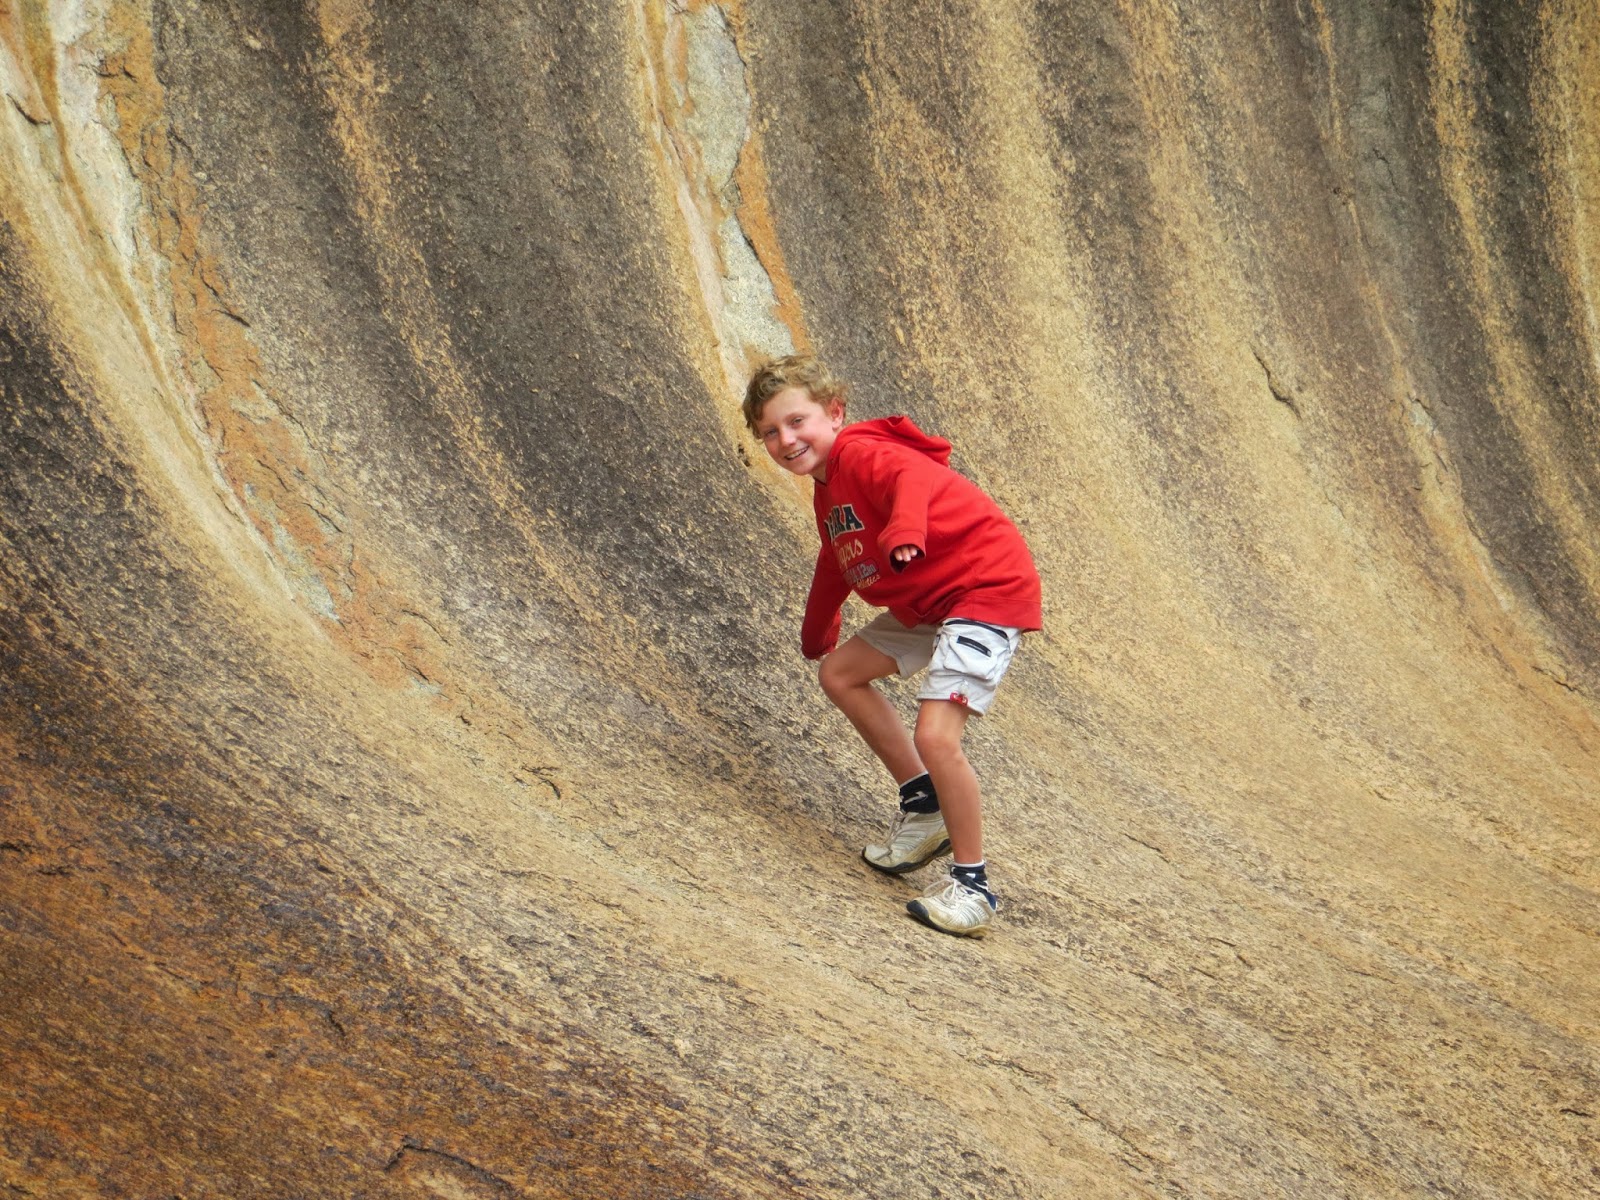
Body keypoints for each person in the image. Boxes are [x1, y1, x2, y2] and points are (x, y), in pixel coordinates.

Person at [742, 354, 1042, 937]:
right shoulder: (827, 490)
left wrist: (905, 528)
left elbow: (914, 480)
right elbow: (836, 559)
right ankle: (924, 804)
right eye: (770, 433)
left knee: (936, 735)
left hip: (983, 589)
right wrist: (817, 625)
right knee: (840, 673)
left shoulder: (860, 450)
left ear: (834, 413)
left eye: (797, 421)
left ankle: (974, 888)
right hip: (930, 602)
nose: (786, 439)